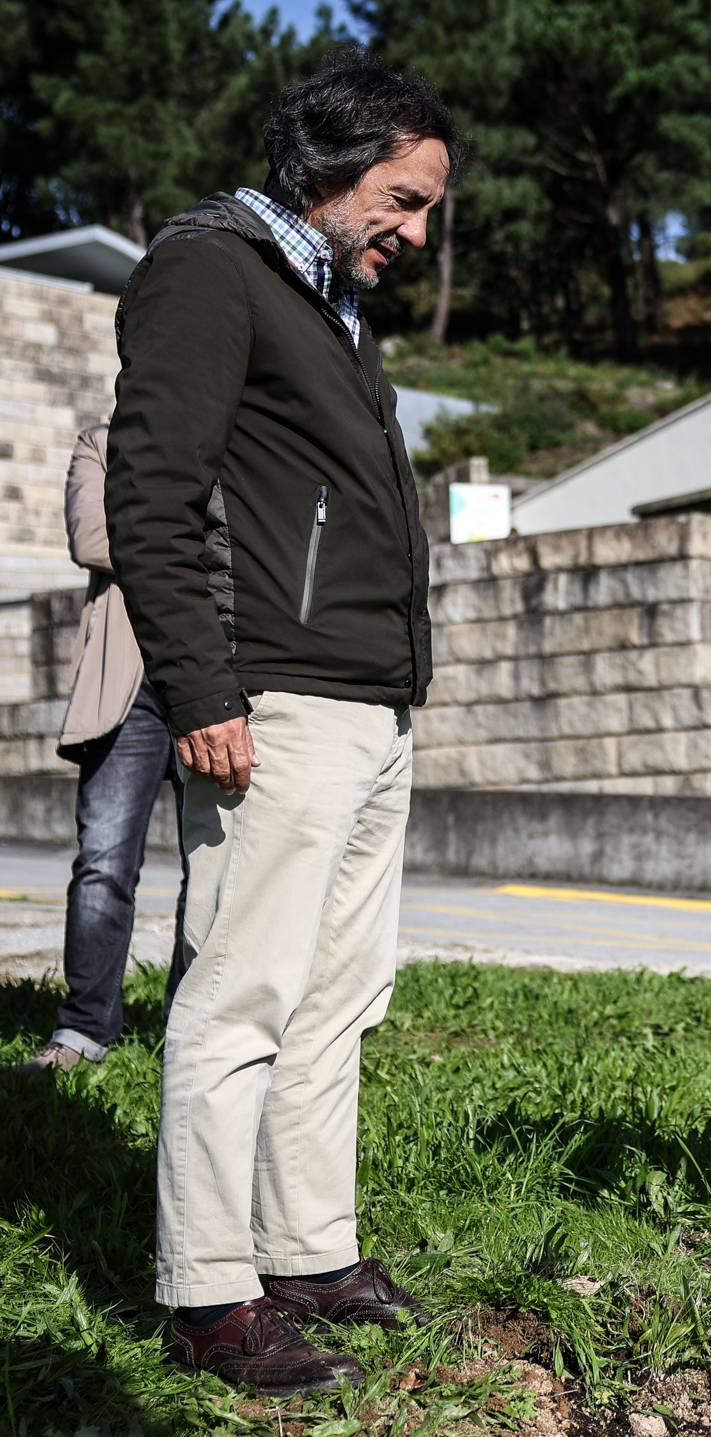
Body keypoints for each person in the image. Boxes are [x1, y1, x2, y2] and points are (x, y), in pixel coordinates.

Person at [104, 53, 466, 1396]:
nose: (415, 233)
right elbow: (153, 485)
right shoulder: (210, 268)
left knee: (336, 998)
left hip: (370, 701)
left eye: (426, 207)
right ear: (324, 169)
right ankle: (209, 1292)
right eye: (401, 198)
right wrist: (201, 690)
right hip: (278, 694)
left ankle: (308, 1250)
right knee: (240, 995)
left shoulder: (333, 305)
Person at [4, 425, 190, 1077]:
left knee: (218, 868)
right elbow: (92, 537)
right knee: (103, 862)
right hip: (128, 683)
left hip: (218, 680)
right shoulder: (103, 444)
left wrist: (147, 528)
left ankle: (194, 1030)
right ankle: (84, 1028)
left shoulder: (231, 431)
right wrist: (196, 537)